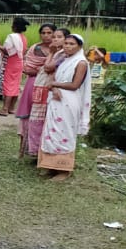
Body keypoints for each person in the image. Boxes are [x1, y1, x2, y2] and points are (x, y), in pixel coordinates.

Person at [38, 33, 91, 181]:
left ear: (79, 46)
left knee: (65, 133)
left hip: (69, 102)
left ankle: (64, 170)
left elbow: (74, 85)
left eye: (72, 44)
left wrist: (54, 84)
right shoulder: (63, 59)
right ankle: (51, 166)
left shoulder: (81, 63)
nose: (67, 46)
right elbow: (54, 76)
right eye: (66, 43)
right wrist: (54, 87)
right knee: (52, 132)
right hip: (56, 100)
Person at [28, 28, 71, 159]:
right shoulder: (58, 53)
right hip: (43, 88)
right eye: (55, 37)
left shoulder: (63, 54)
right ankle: (37, 151)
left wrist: (51, 53)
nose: (55, 39)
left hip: (52, 89)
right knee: (37, 120)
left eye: (59, 37)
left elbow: (48, 67)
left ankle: (43, 153)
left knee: (43, 120)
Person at [17, 23, 56, 157]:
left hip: (51, 86)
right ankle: (26, 149)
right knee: (29, 116)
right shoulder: (35, 48)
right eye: (43, 33)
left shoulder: (61, 51)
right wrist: (41, 70)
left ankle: (44, 152)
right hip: (33, 85)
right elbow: (26, 68)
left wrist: (44, 70)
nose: (46, 35)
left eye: (49, 33)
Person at [0, 17, 29, 116]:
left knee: (8, 85)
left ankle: (5, 108)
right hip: (19, 62)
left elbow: (7, 50)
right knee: (16, 85)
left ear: (15, 26)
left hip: (11, 62)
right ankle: (12, 108)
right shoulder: (23, 38)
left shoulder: (12, 36)